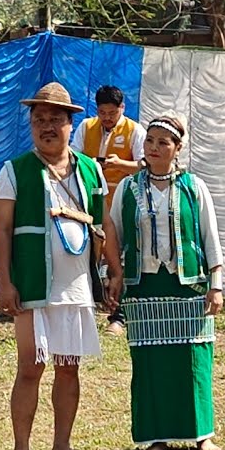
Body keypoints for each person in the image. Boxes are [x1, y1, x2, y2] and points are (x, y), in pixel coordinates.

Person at [0, 81, 111, 450]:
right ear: (30, 125)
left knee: (68, 366)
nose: (47, 126)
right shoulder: (15, 171)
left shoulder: (90, 170)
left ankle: (62, 445)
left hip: (76, 285)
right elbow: (3, 230)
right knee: (30, 366)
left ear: (70, 125)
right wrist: (6, 283)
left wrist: (112, 274)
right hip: (32, 284)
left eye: (55, 120)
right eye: (39, 119)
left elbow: (102, 225)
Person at [105, 112, 224, 450]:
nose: (154, 148)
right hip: (143, 287)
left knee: (194, 357)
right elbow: (113, 233)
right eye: (150, 141)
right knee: (150, 361)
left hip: (186, 286)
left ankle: (201, 434)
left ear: (178, 148)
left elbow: (209, 236)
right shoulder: (128, 188)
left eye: (163, 142)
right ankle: (155, 436)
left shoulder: (193, 187)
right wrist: (112, 275)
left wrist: (215, 285)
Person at [70, 85, 145, 336]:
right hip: (91, 204)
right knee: (89, 257)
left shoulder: (135, 130)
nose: (107, 118)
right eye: (102, 112)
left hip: (123, 203)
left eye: (112, 112)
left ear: (122, 109)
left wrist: (120, 164)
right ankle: (86, 311)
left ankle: (119, 317)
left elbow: (145, 164)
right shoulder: (86, 127)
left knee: (119, 261)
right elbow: (73, 158)